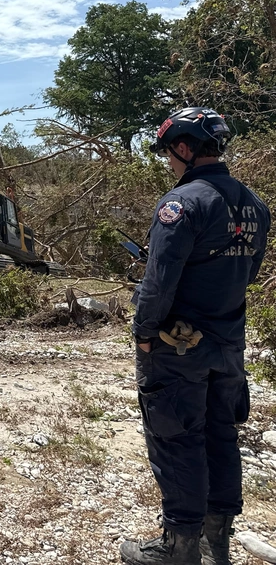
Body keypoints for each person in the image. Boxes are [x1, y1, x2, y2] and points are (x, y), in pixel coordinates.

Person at [121, 107, 270, 565]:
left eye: (169, 153)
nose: (168, 162)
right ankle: (215, 544)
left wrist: (144, 333)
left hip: (176, 348)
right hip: (227, 347)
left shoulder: (180, 205)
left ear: (184, 148)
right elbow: (249, 272)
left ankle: (179, 548)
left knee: (176, 439)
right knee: (220, 436)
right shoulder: (256, 206)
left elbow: (159, 281)